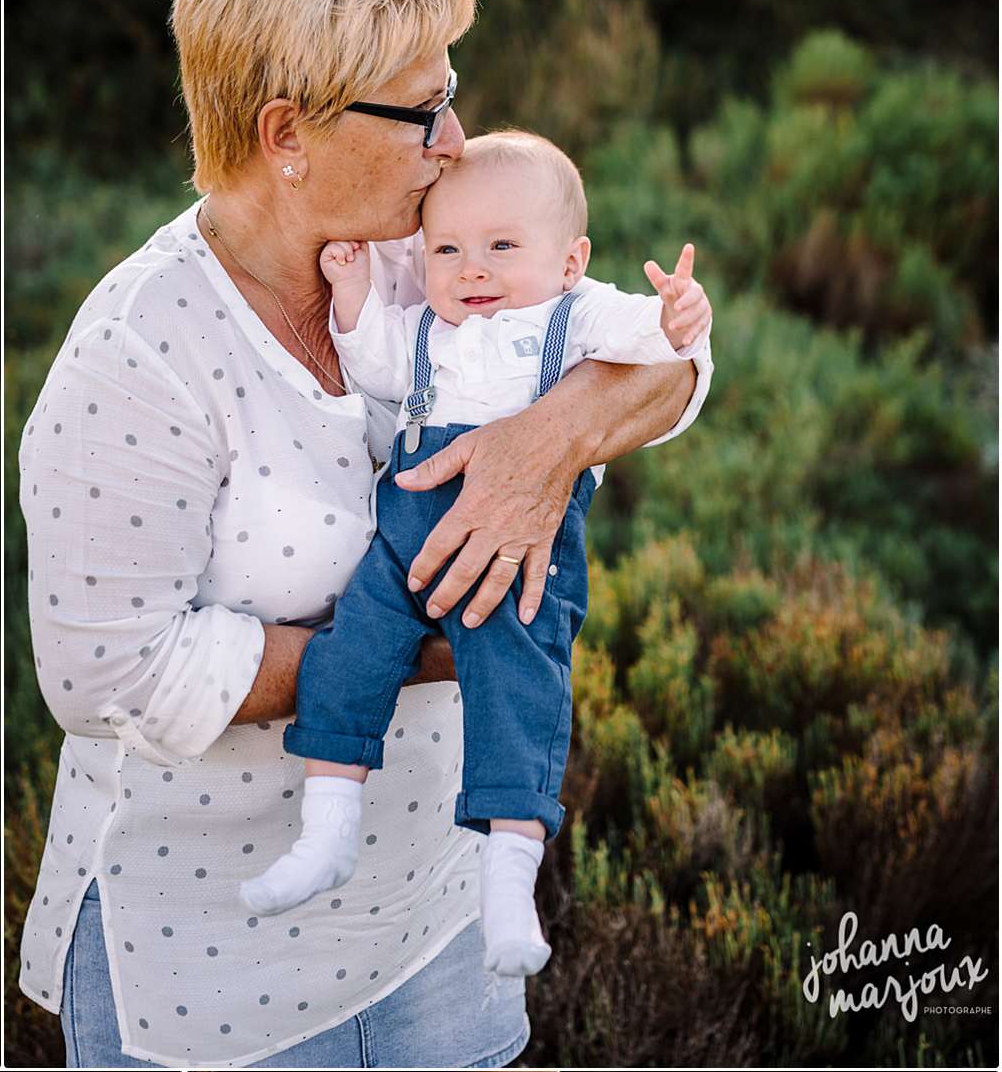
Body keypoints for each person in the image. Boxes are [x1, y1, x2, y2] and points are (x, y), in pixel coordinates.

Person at [19, 0, 712, 1068]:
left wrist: (542, 444)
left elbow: (674, 366)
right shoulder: (139, 350)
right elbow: (103, 670)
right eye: (423, 108)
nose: (454, 141)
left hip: (436, 911)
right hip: (206, 953)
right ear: (286, 133)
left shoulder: (424, 248)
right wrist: (443, 649)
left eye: (451, 96)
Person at [241, 132, 711, 975]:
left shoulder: (572, 314)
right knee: (348, 656)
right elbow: (373, 359)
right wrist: (350, 290)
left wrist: (675, 317)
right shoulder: (427, 326)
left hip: (524, 550)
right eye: (448, 250)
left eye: (502, 248)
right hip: (407, 538)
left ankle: (509, 875)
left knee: (516, 689)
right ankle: (327, 828)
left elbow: (652, 347)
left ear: (571, 260)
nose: (474, 269)